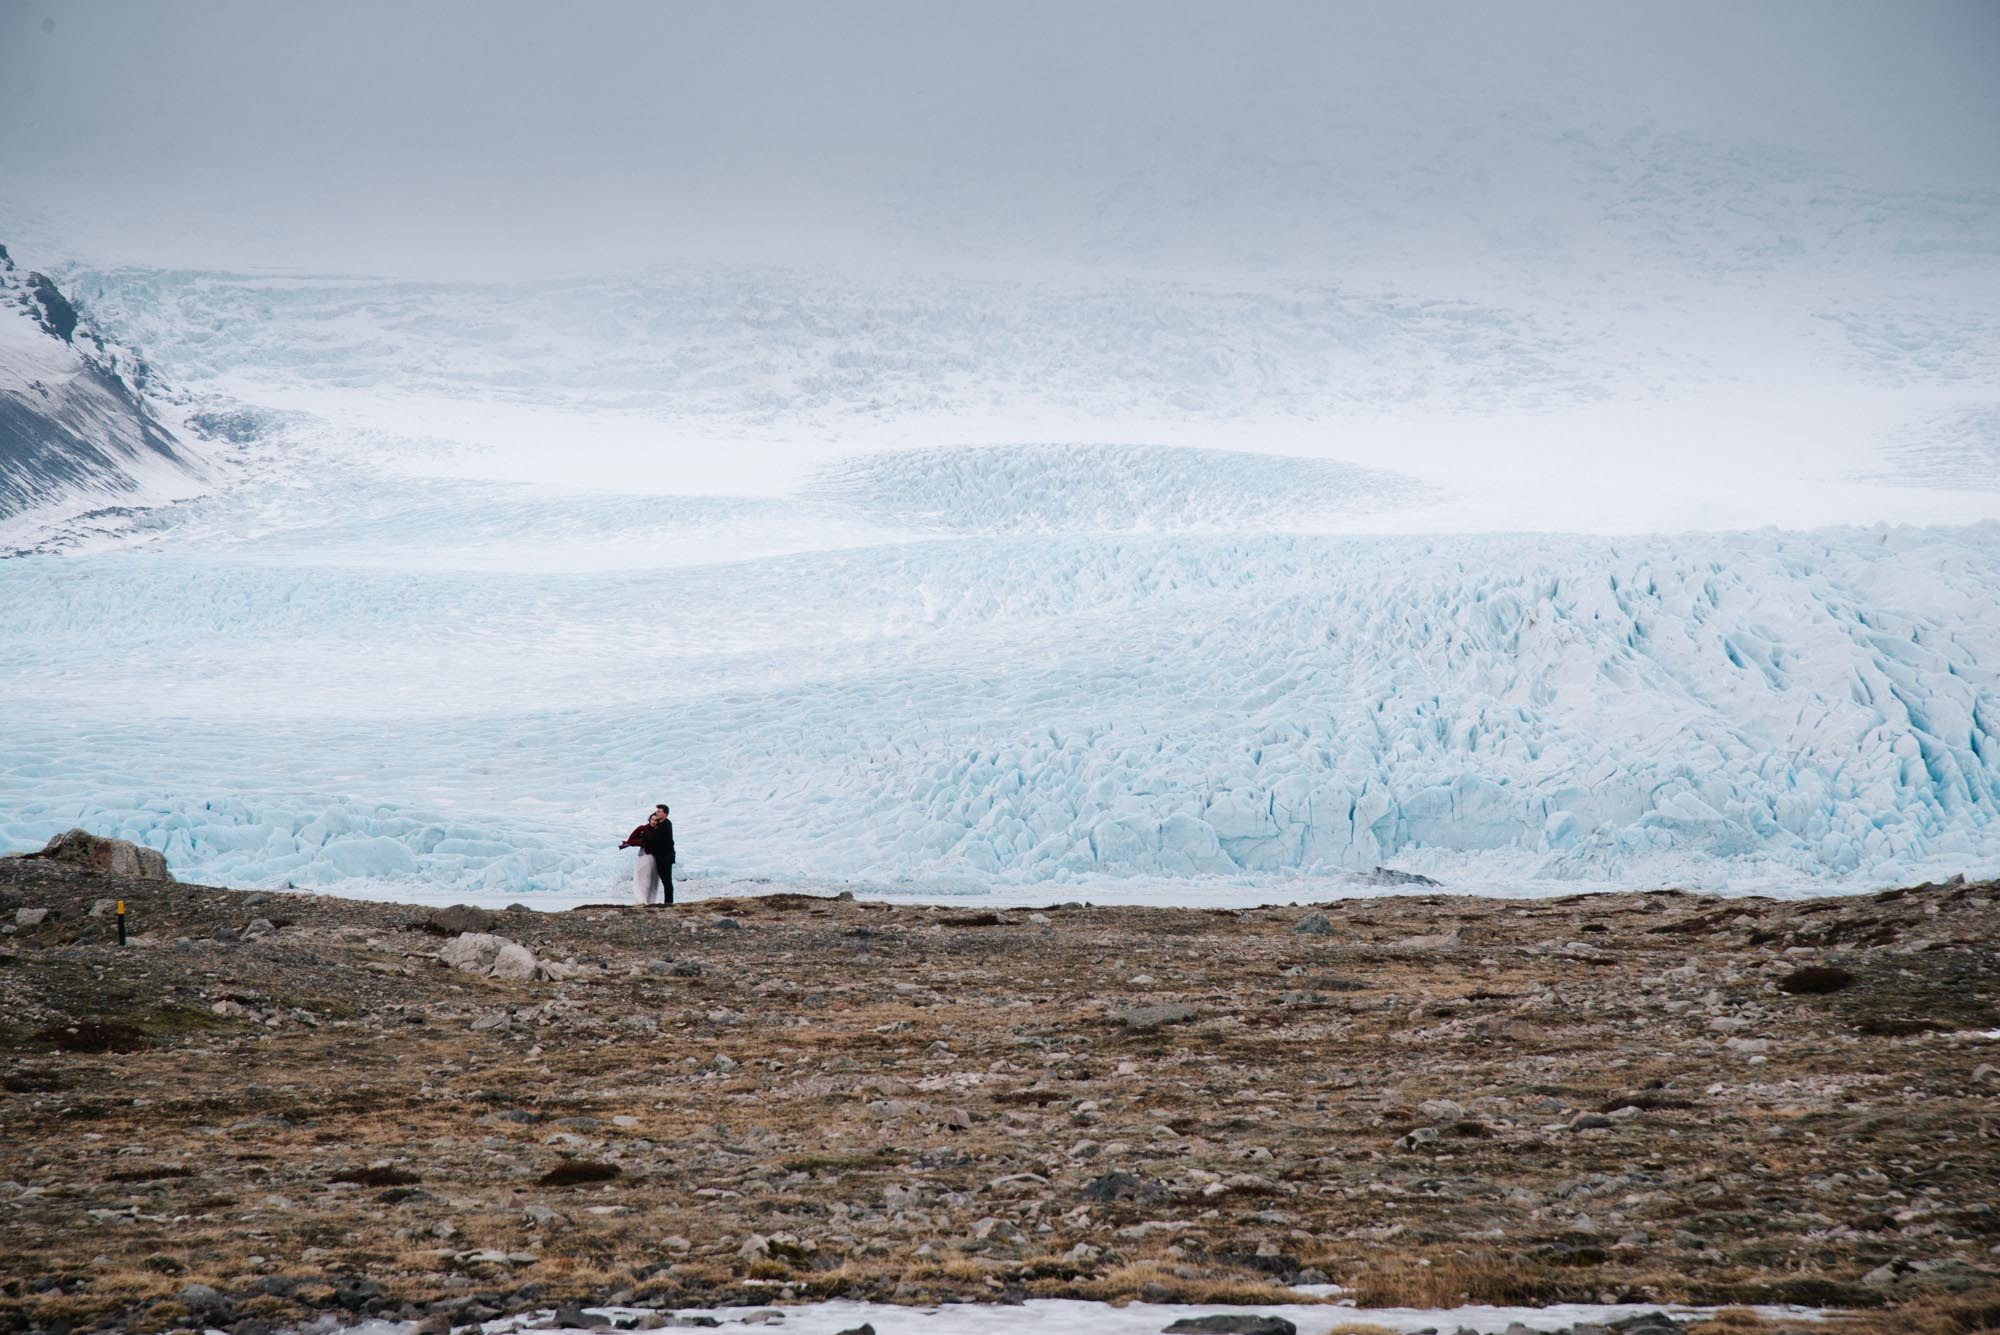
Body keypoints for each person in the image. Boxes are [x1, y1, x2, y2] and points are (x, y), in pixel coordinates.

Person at [619, 804, 676, 906]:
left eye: (659, 812)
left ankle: (668, 902)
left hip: (664, 857)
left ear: (665, 814)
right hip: (657, 857)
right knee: (658, 880)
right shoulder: (647, 827)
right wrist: (632, 842)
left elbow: (654, 840)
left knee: (665, 880)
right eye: (656, 812)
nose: (657, 814)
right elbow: (633, 839)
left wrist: (643, 838)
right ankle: (649, 900)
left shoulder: (665, 825)